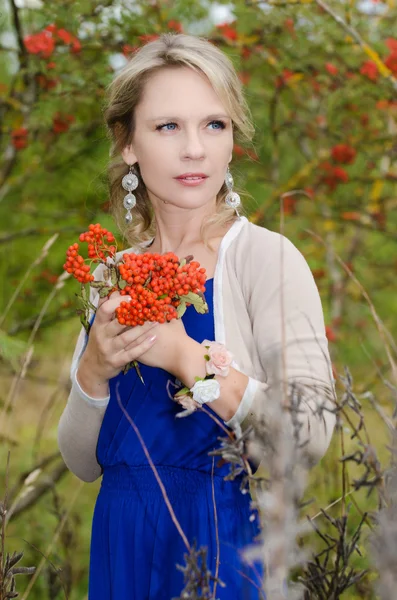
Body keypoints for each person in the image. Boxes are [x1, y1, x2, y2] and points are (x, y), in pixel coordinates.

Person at [58, 32, 336, 599]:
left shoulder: (266, 260)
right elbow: (83, 462)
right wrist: (92, 372)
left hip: (220, 546)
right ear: (128, 142)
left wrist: (187, 358)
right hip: (120, 547)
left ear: (232, 139)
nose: (195, 149)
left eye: (214, 124)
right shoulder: (111, 276)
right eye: (168, 127)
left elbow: (311, 434)